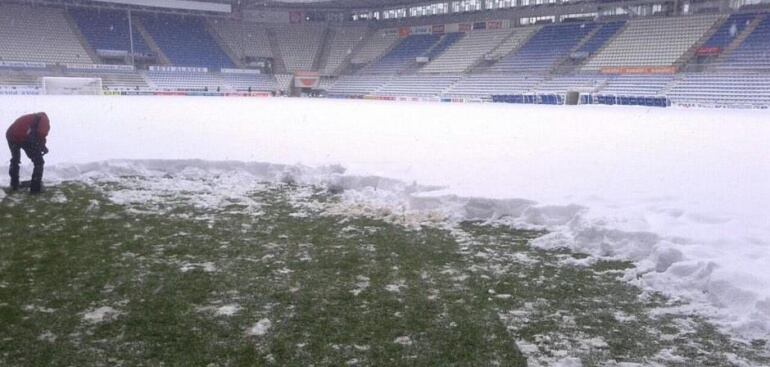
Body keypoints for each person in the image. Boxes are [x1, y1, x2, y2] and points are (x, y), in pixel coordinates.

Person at [6, 112, 50, 194]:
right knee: (39, 162)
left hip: (10, 135)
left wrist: (41, 146)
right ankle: (35, 189)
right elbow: (41, 133)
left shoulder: (31, 117)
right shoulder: (44, 120)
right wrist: (42, 147)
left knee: (15, 160)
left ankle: (14, 185)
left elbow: (38, 135)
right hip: (23, 136)